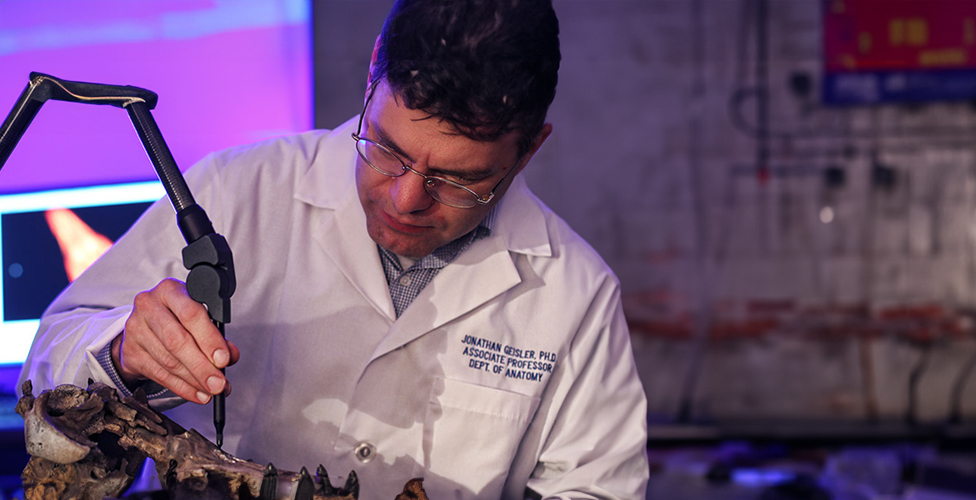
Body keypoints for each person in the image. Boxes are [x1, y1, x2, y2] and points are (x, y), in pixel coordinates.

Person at [18, 0, 649, 499]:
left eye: (458, 181)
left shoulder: (575, 292)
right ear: (373, 69)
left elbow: (596, 489)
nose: (405, 199)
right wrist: (126, 350)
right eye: (387, 149)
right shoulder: (237, 191)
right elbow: (50, 360)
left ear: (529, 149)